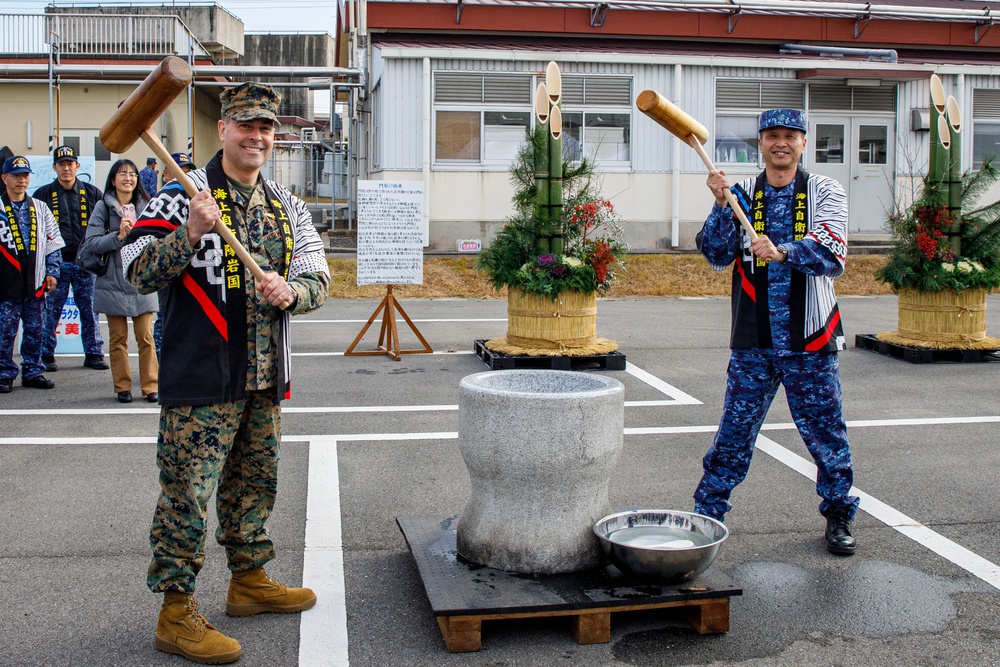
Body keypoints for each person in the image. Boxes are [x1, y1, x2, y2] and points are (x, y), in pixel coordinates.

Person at [122, 82, 330, 665]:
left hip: (262, 379)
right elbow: (133, 271)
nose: (257, 137)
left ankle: (249, 582)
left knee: (253, 487)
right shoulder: (179, 196)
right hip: (200, 382)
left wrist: (294, 290)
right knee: (187, 496)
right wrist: (189, 233)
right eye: (246, 126)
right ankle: (175, 612)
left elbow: (319, 275)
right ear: (224, 131)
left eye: (265, 128)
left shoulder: (286, 205)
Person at [692, 108, 859, 556]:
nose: (780, 143)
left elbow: (832, 253)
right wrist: (720, 205)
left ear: (803, 143)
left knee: (825, 432)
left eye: (790, 135)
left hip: (811, 336)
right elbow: (714, 253)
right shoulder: (742, 191)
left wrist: (783, 250)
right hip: (754, 336)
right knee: (734, 433)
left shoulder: (825, 189)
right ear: (761, 143)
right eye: (771, 135)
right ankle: (707, 513)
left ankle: (840, 511)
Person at [84, 159, 158, 404]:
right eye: (122, 173)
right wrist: (118, 236)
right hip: (112, 281)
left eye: (133, 174)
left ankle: (150, 386)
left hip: (141, 279)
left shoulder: (148, 205)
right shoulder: (102, 208)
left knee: (146, 337)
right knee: (117, 339)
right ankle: (122, 387)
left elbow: (159, 237)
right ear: (113, 179)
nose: (128, 178)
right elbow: (92, 243)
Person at [33, 145, 109, 372]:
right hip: (56, 264)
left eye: (70, 164)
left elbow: (104, 225)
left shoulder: (92, 193)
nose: (66, 169)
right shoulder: (42, 195)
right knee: (51, 311)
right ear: (55, 167)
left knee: (89, 309)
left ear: (77, 166)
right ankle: (46, 354)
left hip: (86, 263)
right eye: (61, 164)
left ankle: (94, 353)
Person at [0, 156, 64, 393]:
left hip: (35, 279)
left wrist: (53, 272)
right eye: (16, 176)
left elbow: (54, 242)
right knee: (5, 331)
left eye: (25, 176)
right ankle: (4, 372)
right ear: (4, 178)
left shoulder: (40, 207)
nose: (21, 180)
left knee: (36, 328)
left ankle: (33, 371)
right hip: (6, 282)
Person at [154, 152, 196, 357]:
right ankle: (163, 358)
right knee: (165, 316)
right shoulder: (158, 202)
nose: (183, 178)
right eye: (178, 173)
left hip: (193, 270)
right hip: (167, 269)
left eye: (187, 173)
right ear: (166, 174)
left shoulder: (194, 201)